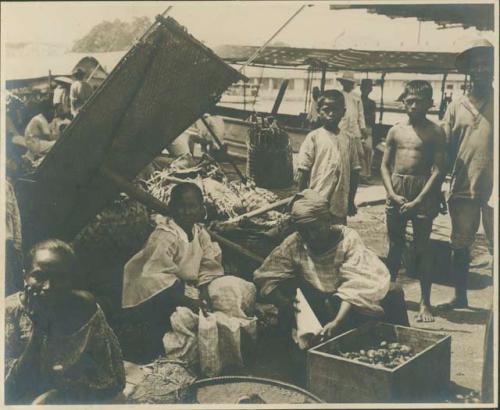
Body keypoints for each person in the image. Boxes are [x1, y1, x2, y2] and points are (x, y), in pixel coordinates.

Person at [253, 190, 408, 345]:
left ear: (328, 221)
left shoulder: (347, 239)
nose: (311, 236)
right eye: (304, 231)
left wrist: (337, 322)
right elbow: (266, 275)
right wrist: (284, 302)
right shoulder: (295, 242)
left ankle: (402, 342)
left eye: (315, 228)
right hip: (319, 300)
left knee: (394, 293)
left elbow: (355, 286)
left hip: (349, 302)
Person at [121, 182, 255, 359]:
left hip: (185, 285)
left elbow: (208, 264)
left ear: (201, 209)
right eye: (181, 207)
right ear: (172, 208)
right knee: (184, 317)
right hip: (156, 291)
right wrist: (188, 300)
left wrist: (204, 289)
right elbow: (155, 275)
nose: (186, 212)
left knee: (230, 288)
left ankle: (235, 335)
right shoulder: (165, 236)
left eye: (192, 207)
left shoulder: (199, 233)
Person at [4, 240, 125, 404]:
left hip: (72, 394)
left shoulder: (84, 308)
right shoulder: (9, 312)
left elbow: (111, 381)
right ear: (25, 276)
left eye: (59, 277)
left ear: (71, 280)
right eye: (39, 276)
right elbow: (10, 389)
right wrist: (39, 329)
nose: (48, 286)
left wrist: (59, 395)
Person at [381, 80, 446, 322]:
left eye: (419, 101)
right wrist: (391, 193)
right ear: (403, 103)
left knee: (422, 249)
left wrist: (420, 200)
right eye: (409, 101)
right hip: (397, 188)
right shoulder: (395, 131)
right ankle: (388, 295)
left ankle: (424, 302)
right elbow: (384, 165)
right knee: (394, 246)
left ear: (430, 103)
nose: (413, 106)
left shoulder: (436, 131)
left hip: (423, 190)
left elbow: (439, 170)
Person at [439, 39, 494, 310]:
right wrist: (439, 184)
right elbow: (443, 150)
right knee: (460, 245)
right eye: (477, 66)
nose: (481, 70)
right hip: (463, 185)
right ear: (469, 72)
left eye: (487, 65)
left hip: (496, 190)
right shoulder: (456, 106)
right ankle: (459, 296)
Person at [296, 89, 360, 226]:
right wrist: (300, 200)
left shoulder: (349, 140)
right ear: (318, 111)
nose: (331, 114)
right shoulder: (313, 138)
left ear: (343, 112)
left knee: (337, 238)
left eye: (336, 110)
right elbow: (303, 172)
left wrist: (351, 201)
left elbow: (355, 172)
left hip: (340, 203)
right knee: (315, 237)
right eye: (326, 110)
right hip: (316, 202)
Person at [337, 71, 369, 181]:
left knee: (360, 152)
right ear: (342, 83)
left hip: (354, 128)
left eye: (350, 83)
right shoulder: (339, 95)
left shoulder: (357, 97)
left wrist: (363, 127)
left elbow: (361, 113)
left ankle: (362, 175)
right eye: (346, 82)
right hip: (342, 126)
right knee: (343, 151)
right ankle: (343, 174)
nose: (348, 85)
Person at [24, 99, 57, 165]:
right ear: (46, 110)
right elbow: (49, 137)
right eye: (52, 110)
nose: (53, 112)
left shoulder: (38, 117)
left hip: (31, 143)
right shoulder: (41, 120)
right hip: (34, 144)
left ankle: (28, 160)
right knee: (56, 144)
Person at [360, 79, 376, 180]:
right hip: (357, 128)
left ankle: (366, 174)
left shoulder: (371, 103)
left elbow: (372, 119)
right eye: (365, 87)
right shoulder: (357, 100)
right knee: (358, 151)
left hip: (367, 128)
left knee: (369, 151)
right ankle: (360, 174)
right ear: (361, 88)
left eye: (369, 88)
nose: (367, 89)